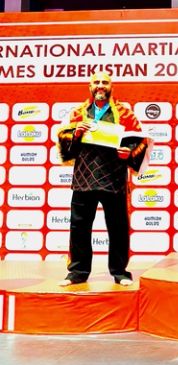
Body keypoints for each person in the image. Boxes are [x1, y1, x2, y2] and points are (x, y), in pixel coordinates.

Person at [56, 71, 148, 286]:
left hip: (113, 179)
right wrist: (76, 134)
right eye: (96, 82)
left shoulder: (125, 113)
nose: (100, 85)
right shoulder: (78, 113)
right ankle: (77, 272)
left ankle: (120, 272)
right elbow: (65, 145)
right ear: (90, 86)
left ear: (111, 86)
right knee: (79, 227)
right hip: (84, 178)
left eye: (104, 82)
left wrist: (129, 153)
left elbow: (139, 141)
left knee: (118, 228)